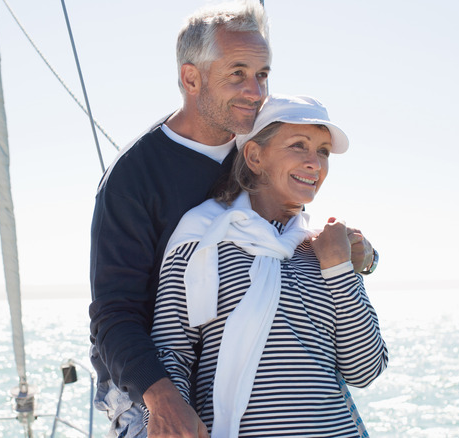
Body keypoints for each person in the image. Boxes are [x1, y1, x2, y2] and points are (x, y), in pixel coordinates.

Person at [89, 2, 377, 437]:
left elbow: (291, 234)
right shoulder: (134, 176)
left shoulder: (257, 147)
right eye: (237, 73)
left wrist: (361, 256)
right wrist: (163, 398)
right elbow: (115, 312)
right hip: (143, 376)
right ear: (191, 78)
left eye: (262, 74)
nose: (255, 91)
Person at [151, 94, 388, 437]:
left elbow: (366, 369)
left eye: (323, 151)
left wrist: (339, 269)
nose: (315, 163)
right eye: (298, 146)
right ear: (255, 155)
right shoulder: (201, 239)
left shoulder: (323, 247)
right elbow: (170, 351)